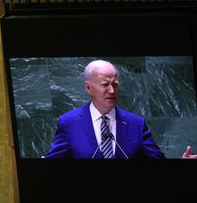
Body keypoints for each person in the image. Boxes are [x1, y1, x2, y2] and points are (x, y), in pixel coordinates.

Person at [45, 60, 196, 159]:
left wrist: (180, 165)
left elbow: (157, 165)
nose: (112, 90)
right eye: (105, 84)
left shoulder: (136, 124)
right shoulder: (69, 123)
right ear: (89, 88)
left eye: (115, 84)